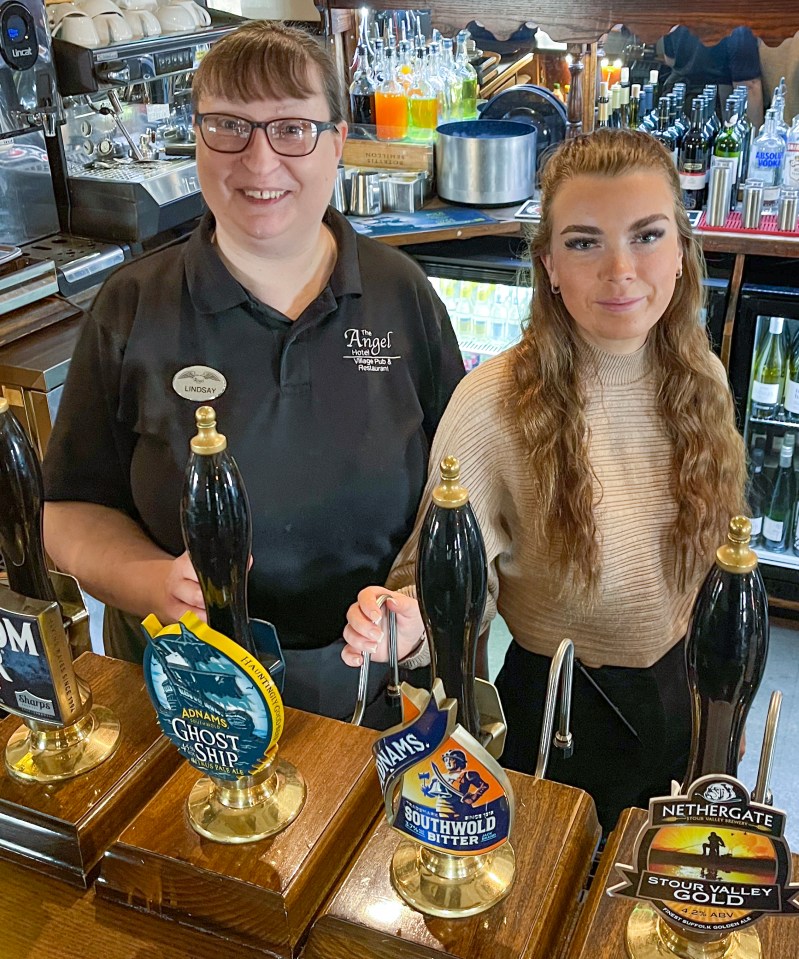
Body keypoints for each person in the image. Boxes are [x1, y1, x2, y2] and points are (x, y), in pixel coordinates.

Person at [42, 21, 464, 725]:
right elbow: (69, 509)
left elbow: (461, 496)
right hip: (187, 688)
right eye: (229, 127)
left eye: (292, 129)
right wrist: (153, 582)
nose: (260, 162)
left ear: (337, 140)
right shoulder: (133, 305)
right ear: (197, 137)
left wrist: (416, 604)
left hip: (368, 688)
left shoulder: (402, 294)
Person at [342, 129, 747, 832]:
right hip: (561, 710)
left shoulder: (701, 377)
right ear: (548, 265)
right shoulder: (494, 402)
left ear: (681, 253)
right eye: (584, 242)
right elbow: (438, 573)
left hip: (689, 688)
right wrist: (410, 620)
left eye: (647, 235)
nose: (620, 270)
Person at [655, 25, 764, 127]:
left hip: (675, 100)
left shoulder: (680, 11)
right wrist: (755, 138)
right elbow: (749, 86)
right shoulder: (736, 23)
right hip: (713, 108)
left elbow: (670, 60)